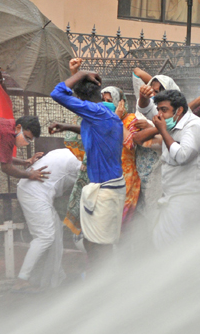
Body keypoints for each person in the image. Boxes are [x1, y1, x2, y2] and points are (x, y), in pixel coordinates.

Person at [50, 70, 125, 271]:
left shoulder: (96, 112)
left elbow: (57, 93)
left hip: (106, 189)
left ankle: (105, 285)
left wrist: (82, 72)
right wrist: (66, 126)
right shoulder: (102, 114)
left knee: (100, 244)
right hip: (104, 187)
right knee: (93, 243)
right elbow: (91, 130)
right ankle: (102, 283)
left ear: (80, 99)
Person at [134, 89, 200, 249]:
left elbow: (183, 156)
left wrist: (162, 131)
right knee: (170, 243)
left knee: (173, 246)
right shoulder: (170, 120)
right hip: (176, 197)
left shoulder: (193, 126)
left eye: (164, 110)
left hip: (190, 197)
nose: (159, 115)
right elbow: (145, 108)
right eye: (159, 110)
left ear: (179, 111)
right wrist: (143, 95)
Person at [12, 148, 82, 292]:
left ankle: (56, 277)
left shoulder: (65, 151)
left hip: (33, 191)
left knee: (55, 234)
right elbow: (89, 181)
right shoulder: (76, 161)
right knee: (45, 237)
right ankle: (21, 281)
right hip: (34, 194)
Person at [101, 86, 141, 230]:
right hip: (107, 175)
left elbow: (130, 143)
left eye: (110, 101)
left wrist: (116, 119)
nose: (106, 104)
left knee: (120, 221)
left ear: (120, 102)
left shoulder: (131, 120)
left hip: (127, 177)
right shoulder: (103, 120)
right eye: (104, 100)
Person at [0, 116, 46, 181]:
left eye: (29, 140)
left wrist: (24, 162)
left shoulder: (7, 126)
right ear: (18, 127)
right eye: (26, 137)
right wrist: (30, 175)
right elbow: (6, 167)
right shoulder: (6, 133)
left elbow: (4, 157)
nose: (26, 142)